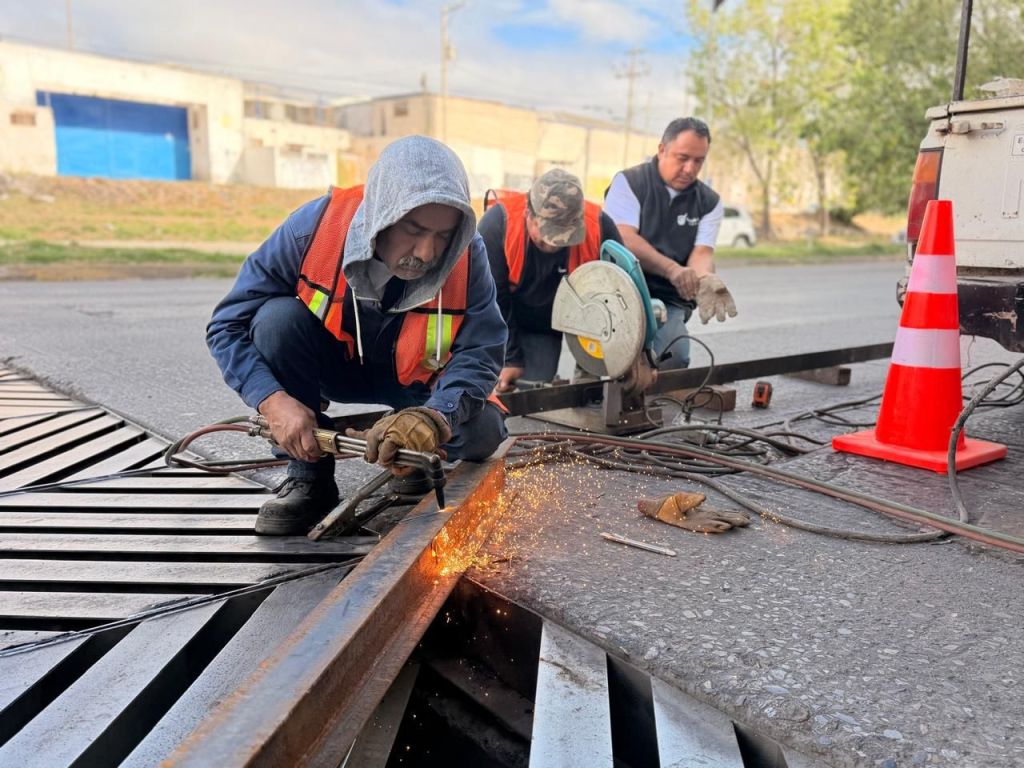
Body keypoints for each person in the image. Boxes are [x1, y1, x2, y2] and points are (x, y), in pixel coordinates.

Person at [207, 136, 508, 535]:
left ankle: (407, 451)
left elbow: (482, 350)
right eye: (413, 229)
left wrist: (433, 418)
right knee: (275, 321)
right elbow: (227, 325)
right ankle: (308, 477)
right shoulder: (312, 230)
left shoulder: (468, 254)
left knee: (485, 430)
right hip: (336, 368)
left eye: (441, 236)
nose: (424, 252)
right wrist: (273, 401)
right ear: (382, 212)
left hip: (418, 382)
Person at [604, 117, 737, 370]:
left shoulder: (709, 201)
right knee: (607, 365)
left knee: (671, 358)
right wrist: (672, 269)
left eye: (699, 161)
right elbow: (624, 239)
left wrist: (705, 276)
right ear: (662, 149)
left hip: (669, 298)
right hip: (621, 290)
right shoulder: (630, 183)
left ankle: (657, 405)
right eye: (683, 157)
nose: (690, 169)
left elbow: (702, 252)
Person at [479, 168, 623, 392]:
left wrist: (634, 357)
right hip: (521, 318)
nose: (555, 245)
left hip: (586, 314)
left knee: (593, 389)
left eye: (565, 238)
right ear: (529, 214)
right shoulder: (497, 225)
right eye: (547, 237)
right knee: (534, 389)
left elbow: (623, 295)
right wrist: (510, 358)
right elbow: (492, 300)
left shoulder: (601, 227)